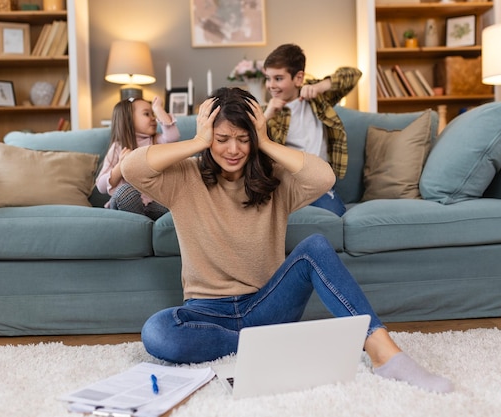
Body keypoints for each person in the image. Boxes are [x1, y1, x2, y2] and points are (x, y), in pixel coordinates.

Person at [121, 88, 453, 393]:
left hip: (267, 303)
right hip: (207, 312)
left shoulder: (275, 179)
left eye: (243, 139)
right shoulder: (184, 177)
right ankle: (261, 344)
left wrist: (265, 140)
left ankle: (384, 353)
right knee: (157, 332)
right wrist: (198, 141)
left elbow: (324, 178)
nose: (233, 149)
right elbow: (131, 167)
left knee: (315, 248)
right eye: (222, 139)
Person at [263, 43, 362, 217]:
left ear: (299, 78)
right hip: (288, 185)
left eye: (278, 78)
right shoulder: (269, 112)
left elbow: (354, 74)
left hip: (319, 183)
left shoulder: (318, 99)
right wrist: (267, 115)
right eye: (268, 78)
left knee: (334, 214)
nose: (271, 85)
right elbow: (251, 142)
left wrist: (320, 86)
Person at [96, 96, 180, 220]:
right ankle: (139, 223)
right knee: (126, 192)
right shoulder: (118, 147)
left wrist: (158, 109)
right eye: (147, 114)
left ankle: (141, 223)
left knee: (173, 206)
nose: (153, 118)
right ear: (128, 119)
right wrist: (120, 165)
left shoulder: (156, 141)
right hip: (124, 202)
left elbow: (173, 136)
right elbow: (101, 186)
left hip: (152, 204)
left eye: (153, 114)